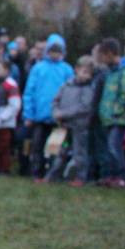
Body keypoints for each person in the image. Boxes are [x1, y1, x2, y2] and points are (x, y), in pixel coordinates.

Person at [22, 33, 73, 180]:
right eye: (52, 51)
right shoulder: (38, 68)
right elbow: (29, 92)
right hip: (39, 116)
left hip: (58, 117)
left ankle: (53, 174)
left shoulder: (66, 70)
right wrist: (29, 114)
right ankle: (37, 173)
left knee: (56, 148)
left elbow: (70, 94)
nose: (55, 54)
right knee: (37, 145)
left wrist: (65, 113)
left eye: (58, 51)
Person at [47, 56, 96, 185]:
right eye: (84, 72)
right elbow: (55, 100)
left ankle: (80, 177)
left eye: (89, 73)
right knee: (58, 150)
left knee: (79, 152)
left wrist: (63, 114)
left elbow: (84, 107)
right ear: (77, 70)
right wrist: (55, 112)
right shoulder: (66, 85)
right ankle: (52, 175)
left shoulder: (88, 89)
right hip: (63, 125)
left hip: (79, 126)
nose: (86, 76)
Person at [96, 38, 125, 186]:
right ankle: (111, 176)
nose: (102, 59)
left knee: (114, 146)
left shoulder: (124, 71)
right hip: (108, 117)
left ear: (111, 54)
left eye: (103, 55)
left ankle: (123, 177)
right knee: (109, 147)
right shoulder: (110, 72)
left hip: (119, 117)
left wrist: (116, 111)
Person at [0, 60, 20, 174]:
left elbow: (15, 105)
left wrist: (3, 117)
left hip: (5, 122)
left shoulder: (10, 85)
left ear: (6, 70)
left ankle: (5, 168)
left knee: (4, 147)